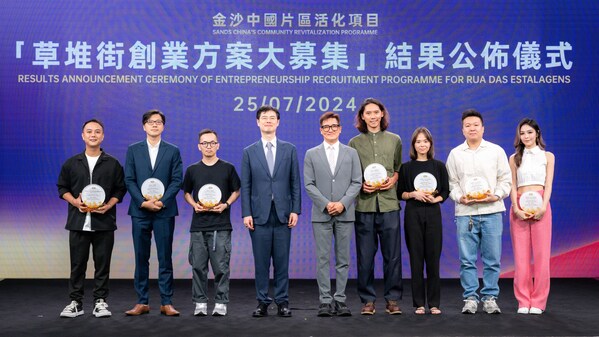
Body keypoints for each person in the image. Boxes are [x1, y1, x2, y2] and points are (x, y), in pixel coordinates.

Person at [57, 119, 126, 318]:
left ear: (102, 136)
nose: (93, 135)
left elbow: (120, 189)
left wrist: (109, 205)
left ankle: (100, 302)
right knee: (77, 265)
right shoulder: (72, 163)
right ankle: (75, 302)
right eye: (89, 131)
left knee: (102, 265)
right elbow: (62, 188)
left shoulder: (112, 164)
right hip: (78, 223)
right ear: (83, 136)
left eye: (97, 132)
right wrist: (75, 202)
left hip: (104, 223)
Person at [446, 109, 511, 314]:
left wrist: (497, 194)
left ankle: (490, 297)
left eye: (475, 125)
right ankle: (470, 298)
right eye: (467, 125)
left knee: (492, 259)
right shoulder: (455, 153)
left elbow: (506, 180)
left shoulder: (496, 151)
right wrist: (459, 197)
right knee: (467, 260)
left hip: (492, 210)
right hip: (466, 213)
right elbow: (452, 183)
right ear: (462, 129)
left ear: (483, 128)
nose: (472, 128)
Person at [241, 105, 301, 318]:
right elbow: (246, 185)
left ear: (278, 122)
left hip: (284, 214)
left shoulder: (289, 149)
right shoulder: (249, 151)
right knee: (261, 262)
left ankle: (283, 302)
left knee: (282, 261)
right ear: (257, 122)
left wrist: (296, 209)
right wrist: (246, 212)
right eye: (264, 118)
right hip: (258, 215)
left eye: (272, 118)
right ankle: (262, 302)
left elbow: (295, 182)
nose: (268, 121)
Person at [124, 109, 183, 316]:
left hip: (163, 211)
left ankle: (166, 302)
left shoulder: (173, 150)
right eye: (150, 122)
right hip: (140, 212)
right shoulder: (133, 150)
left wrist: (162, 201)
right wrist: (142, 202)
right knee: (141, 257)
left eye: (158, 122)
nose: (154, 125)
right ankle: (142, 302)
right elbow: (129, 179)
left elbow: (177, 180)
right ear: (144, 126)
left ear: (163, 126)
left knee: (165, 257)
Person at [348, 98, 403, 315]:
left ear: (382, 114)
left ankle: (392, 300)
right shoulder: (354, 143)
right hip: (364, 206)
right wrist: (361, 185)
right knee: (365, 256)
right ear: (362, 116)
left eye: (375, 112)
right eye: (367, 113)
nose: (372, 116)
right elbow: (352, 174)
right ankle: (368, 300)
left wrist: (394, 178)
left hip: (389, 205)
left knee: (393, 256)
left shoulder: (394, 140)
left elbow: (398, 167)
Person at [304, 112, 362, 317]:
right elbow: (309, 184)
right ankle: (325, 301)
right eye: (326, 126)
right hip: (321, 214)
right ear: (321, 130)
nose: (330, 129)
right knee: (322, 259)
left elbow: (357, 182)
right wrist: (327, 204)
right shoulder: (311, 153)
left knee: (343, 259)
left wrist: (343, 204)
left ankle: (340, 300)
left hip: (345, 213)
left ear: (340, 128)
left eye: (334, 126)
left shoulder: (351, 153)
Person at [182, 129, 240, 317]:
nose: (208, 146)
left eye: (212, 143)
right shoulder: (192, 170)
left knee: (221, 267)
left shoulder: (228, 168)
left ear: (218, 145)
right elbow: (186, 192)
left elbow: (236, 190)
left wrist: (226, 205)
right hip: (198, 226)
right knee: (198, 267)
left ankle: (221, 302)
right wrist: (194, 205)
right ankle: (200, 302)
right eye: (205, 143)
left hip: (221, 226)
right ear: (199, 146)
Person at [398, 127, 449, 315]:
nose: (422, 144)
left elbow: (445, 191)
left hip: (434, 215)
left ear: (430, 144)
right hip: (413, 215)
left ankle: (434, 303)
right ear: (413, 145)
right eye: (418, 141)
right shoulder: (406, 168)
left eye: (425, 141)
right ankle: (419, 303)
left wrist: (437, 199)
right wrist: (413, 194)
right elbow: (399, 193)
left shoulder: (439, 166)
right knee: (416, 259)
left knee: (433, 260)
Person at [509, 118, 555, 315]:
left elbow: (549, 183)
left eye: (529, 132)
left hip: (540, 203)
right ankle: (523, 300)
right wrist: (515, 207)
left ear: (537, 132)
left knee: (542, 256)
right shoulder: (514, 158)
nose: (526, 136)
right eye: (522, 133)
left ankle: (538, 301)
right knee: (520, 258)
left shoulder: (548, 156)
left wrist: (543, 206)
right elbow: (511, 184)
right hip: (519, 205)